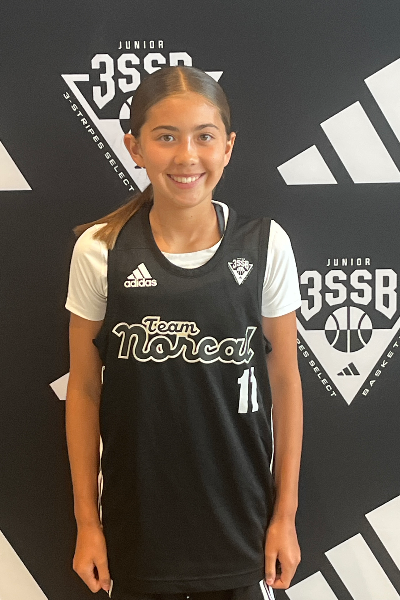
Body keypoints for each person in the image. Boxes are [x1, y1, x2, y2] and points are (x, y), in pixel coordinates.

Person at [65, 66, 303, 600]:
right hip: (137, 533)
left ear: (228, 147)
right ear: (135, 147)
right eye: (166, 137)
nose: (187, 156)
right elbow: (82, 390)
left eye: (204, 136)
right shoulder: (101, 250)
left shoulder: (266, 245)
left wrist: (284, 516)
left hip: (242, 532)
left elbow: (285, 382)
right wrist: (87, 523)